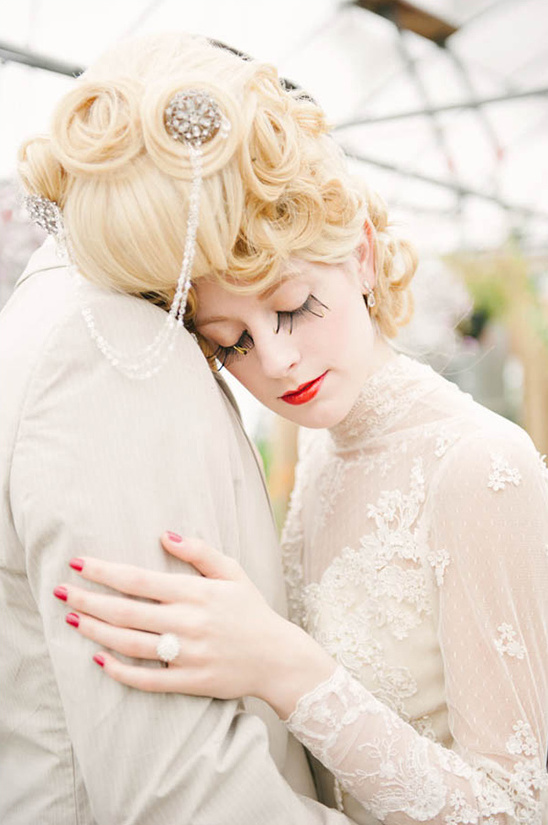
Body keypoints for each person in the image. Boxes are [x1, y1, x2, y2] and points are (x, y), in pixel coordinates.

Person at [46, 29, 548, 825]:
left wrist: (284, 665)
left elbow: (515, 813)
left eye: (292, 307)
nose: (276, 362)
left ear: (362, 254)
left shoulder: (484, 464)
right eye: (231, 341)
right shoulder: (322, 448)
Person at [0, 32, 374, 825]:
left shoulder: (76, 321)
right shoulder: (105, 350)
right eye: (232, 338)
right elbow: (179, 787)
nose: (269, 358)